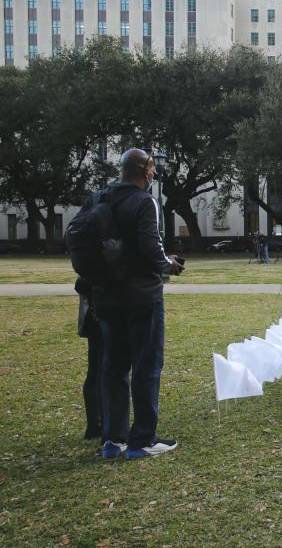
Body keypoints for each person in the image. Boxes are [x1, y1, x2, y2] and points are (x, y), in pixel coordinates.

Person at [82, 148, 185, 460]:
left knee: (113, 366)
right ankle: (142, 439)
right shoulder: (144, 202)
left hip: (106, 297)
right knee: (146, 366)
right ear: (146, 172)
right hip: (142, 297)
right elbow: (151, 250)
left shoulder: (98, 198)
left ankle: (113, 439)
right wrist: (170, 264)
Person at [75, 289, 103, 440]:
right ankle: (103, 424)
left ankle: (95, 424)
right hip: (103, 309)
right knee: (103, 370)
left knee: (95, 369)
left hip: (94, 309)